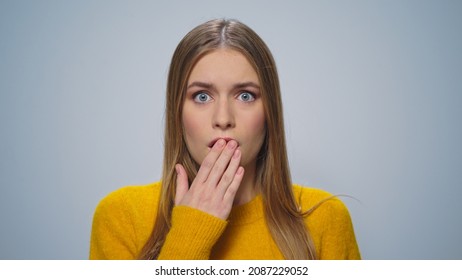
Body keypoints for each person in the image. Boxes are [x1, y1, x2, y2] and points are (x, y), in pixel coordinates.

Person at [89, 18, 361, 260]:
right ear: (177, 112)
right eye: (202, 96)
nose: (223, 118)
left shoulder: (326, 219)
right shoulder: (122, 216)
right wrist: (191, 232)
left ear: (270, 112)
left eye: (245, 95)